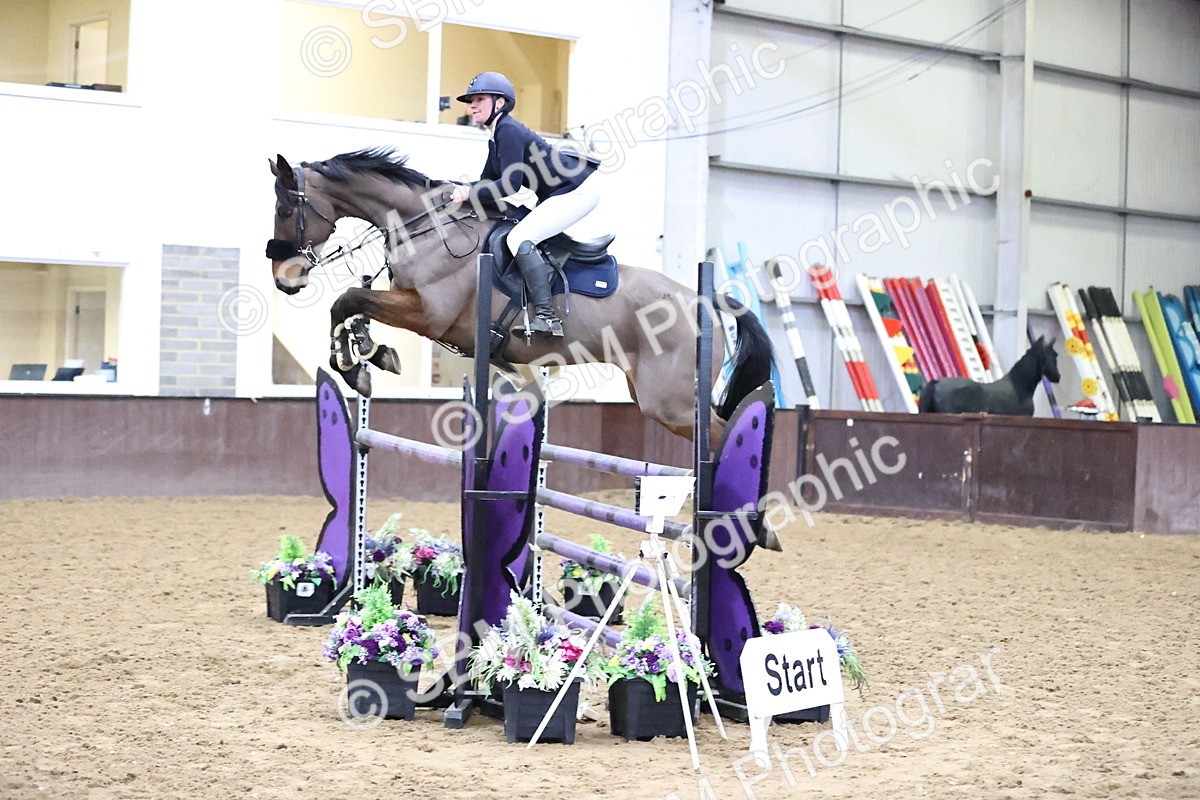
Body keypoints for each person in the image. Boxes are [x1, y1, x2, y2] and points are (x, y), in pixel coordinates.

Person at [449, 72, 600, 337]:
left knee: (519, 237)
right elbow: (487, 183)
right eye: (471, 100)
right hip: (560, 192)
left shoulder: (508, 130)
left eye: (479, 99)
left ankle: (547, 316)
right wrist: (456, 190)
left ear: (500, 103)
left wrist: (467, 193)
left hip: (577, 191)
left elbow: (510, 186)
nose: (472, 105)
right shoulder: (496, 136)